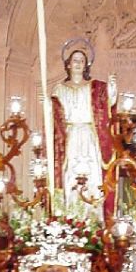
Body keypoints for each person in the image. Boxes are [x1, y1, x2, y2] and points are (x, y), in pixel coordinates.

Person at [52, 40, 116, 210]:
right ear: (68, 65)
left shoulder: (95, 87)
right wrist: (47, 103)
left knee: (92, 172)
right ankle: (69, 213)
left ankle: (91, 214)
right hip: (70, 136)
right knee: (69, 172)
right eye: (75, 60)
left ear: (86, 65)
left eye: (82, 60)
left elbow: (108, 103)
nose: (78, 63)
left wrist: (112, 89)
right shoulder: (59, 88)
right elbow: (55, 113)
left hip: (89, 135)